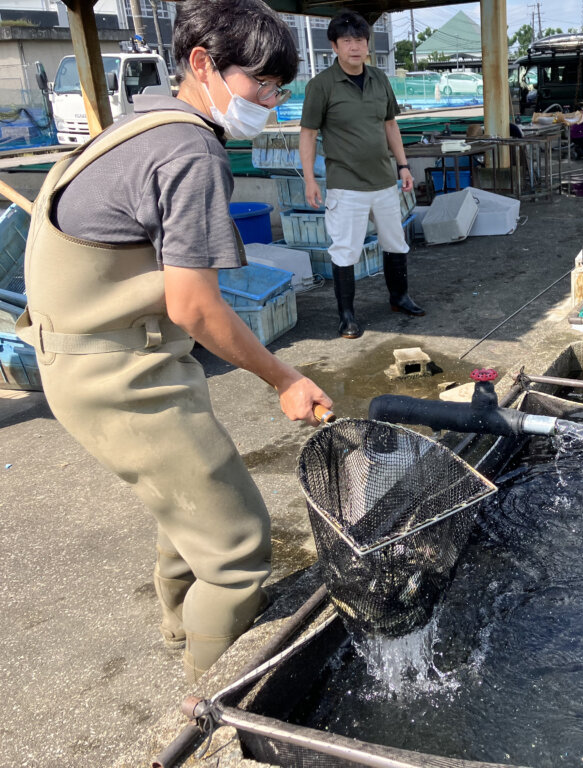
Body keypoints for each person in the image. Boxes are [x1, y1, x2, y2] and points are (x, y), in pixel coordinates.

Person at [15, 0, 332, 683]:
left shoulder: (144, 123)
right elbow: (195, 306)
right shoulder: (189, 150)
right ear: (201, 64)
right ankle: (209, 705)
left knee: (189, 501)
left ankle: (181, 635)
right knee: (239, 543)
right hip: (114, 371)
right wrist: (284, 378)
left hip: (90, 351)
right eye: (261, 86)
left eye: (280, 90)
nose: (270, 104)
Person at [300, 11, 423, 340]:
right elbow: (308, 133)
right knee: (346, 250)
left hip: (384, 180)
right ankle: (347, 315)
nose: (355, 47)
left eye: (360, 41)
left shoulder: (380, 79)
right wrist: (310, 179)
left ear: (368, 45)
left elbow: (390, 125)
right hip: (346, 184)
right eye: (347, 41)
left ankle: (399, 298)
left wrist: (404, 165)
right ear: (334, 46)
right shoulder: (321, 85)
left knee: (395, 243)